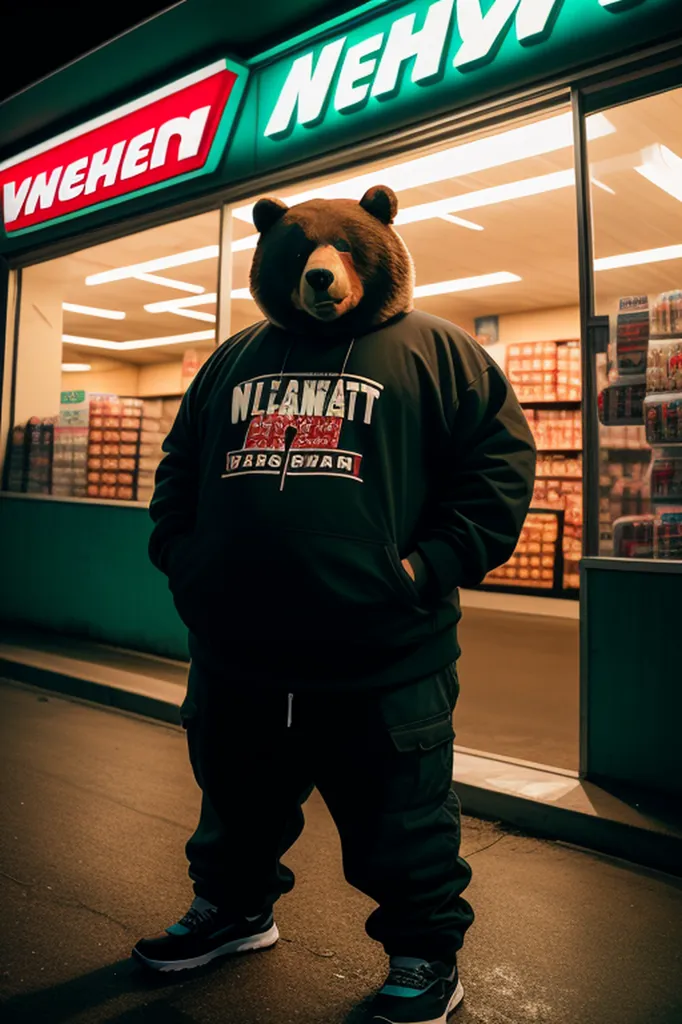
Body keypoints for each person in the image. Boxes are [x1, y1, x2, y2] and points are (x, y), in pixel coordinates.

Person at [133, 185, 536, 1024]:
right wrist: (182, 554)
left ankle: (426, 952)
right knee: (234, 802)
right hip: (238, 653)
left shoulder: (440, 351)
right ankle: (235, 909)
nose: (321, 273)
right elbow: (180, 465)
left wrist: (429, 568)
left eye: (342, 256)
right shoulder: (234, 358)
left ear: (378, 248)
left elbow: (498, 469)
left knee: (402, 815)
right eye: (303, 257)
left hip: (382, 654)